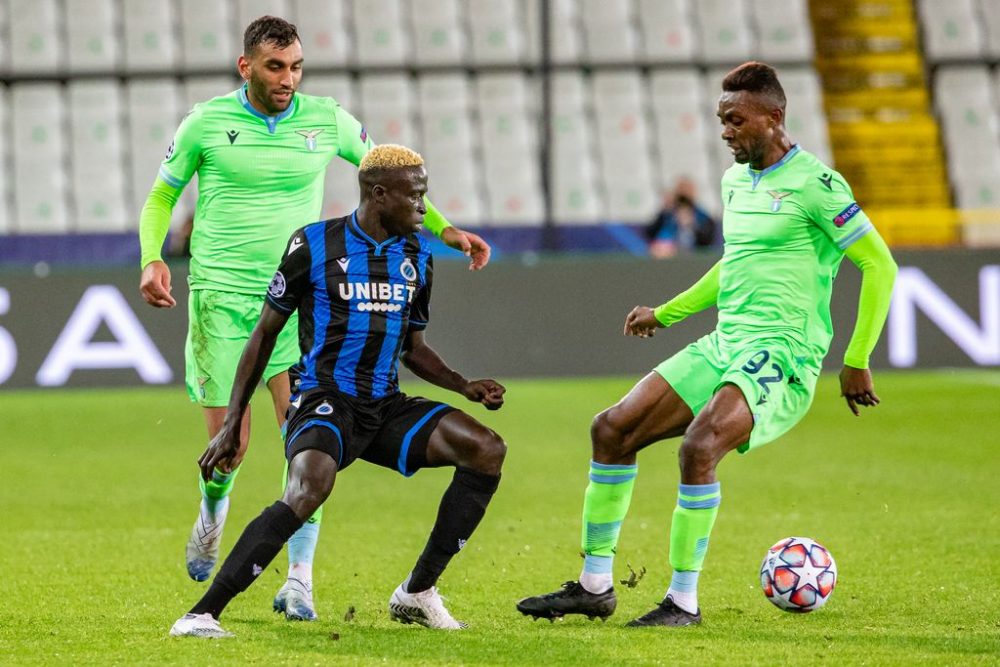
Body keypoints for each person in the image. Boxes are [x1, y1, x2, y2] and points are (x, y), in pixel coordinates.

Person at [516, 61, 897, 627]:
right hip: (725, 343)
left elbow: (880, 266)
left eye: (735, 120)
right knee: (611, 429)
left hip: (783, 352)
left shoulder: (819, 186)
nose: (725, 132)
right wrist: (665, 315)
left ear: (774, 116)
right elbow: (733, 266)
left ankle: (682, 601)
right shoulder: (734, 181)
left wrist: (857, 357)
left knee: (699, 448)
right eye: (721, 120)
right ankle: (595, 586)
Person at [137, 16, 492, 622]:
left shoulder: (325, 119)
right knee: (234, 444)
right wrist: (150, 258)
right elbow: (162, 196)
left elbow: (391, 173)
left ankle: (298, 579)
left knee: (306, 442)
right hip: (223, 296)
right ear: (245, 66)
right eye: (276, 67)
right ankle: (212, 513)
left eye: (296, 66)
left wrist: (446, 229)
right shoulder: (205, 122)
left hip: (304, 298)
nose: (289, 79)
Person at [169, 144, 506, 638]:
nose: (423, 207)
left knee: (486, 449)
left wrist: (464, 385)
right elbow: (263, 336)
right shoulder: (314, 245)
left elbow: (414, 349)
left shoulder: (416, 256)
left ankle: (416, 593)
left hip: (385, 405)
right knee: (309, 486)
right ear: (378, 193)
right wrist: (230, 422)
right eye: (415, 195)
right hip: (324, 400)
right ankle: (200, 614)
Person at [645, 177, 718, 258]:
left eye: (687, 191)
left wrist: (692, 225)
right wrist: (664, 210)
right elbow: (650, 234)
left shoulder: (703, 217)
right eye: (681, 191)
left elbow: (707, 242)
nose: (684, 196)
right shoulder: (667, 215)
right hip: (668, 257)